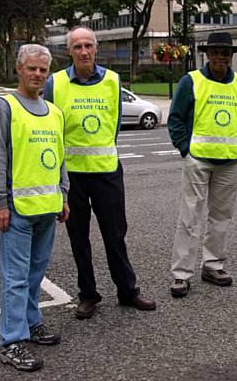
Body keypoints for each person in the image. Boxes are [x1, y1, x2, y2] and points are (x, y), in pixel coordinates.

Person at [44, 26, 156, 319]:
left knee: (115, 235)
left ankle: (127, 291)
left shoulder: (112, 80)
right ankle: (88, 295)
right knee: (78, 239)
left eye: (88, 46)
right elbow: (49, 128)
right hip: (72, 178)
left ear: (96, 49)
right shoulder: (55, 84)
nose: (83, 52)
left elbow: (114, 123)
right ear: (69, 51)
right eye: (77, 46)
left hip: (107, 172)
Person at [0, 44, 70, 372]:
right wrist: (0, 202)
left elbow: (60, 158)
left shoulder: (54, 112)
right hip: (17, 211)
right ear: (19, 69)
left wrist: (63, 196)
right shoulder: (5, 108)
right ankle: (11, 340)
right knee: (15, 278)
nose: (37, 74)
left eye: (43, 70)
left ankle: (32, 322)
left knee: (34, 275)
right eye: (31, 68)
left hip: (47, 209)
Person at [168, 32, 237, 298]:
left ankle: (213, 265)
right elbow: (175, 119)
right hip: (198, 160)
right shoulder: (191, 81)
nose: (220, 57)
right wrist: (186, 150)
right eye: (215, 52)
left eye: (225, 53)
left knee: (221, 218)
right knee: (189, 218)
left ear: (231, 56)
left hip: (230, 162)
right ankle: (181, 274)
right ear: (207, 54)